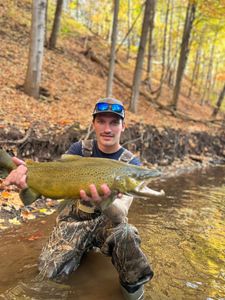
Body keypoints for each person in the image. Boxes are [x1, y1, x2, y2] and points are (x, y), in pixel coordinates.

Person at [4, 97, 153, 300]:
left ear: (123, 126)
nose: (107, 128)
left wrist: (103, 201)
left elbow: (121, 215)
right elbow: (54, 180)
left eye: (114, 122)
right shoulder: (79, 150)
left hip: (107, 227)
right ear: (93, 124)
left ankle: (133, 289)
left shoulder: (129, 165)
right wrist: (29, 175)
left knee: (127, 233)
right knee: (46, 277)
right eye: (101, 121)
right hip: (73, 224)